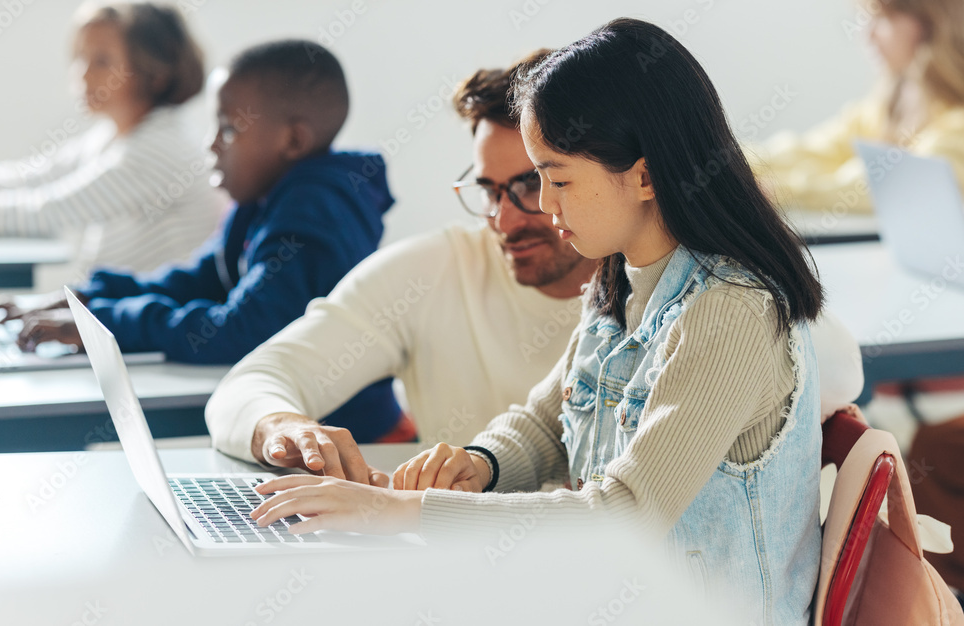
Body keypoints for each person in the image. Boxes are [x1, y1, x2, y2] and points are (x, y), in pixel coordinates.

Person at [247, 20, 845, 624]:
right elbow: (548, 421)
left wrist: (402, 513)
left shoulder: (731, 311)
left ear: (644, 175)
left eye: (555, 180)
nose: (546, 204)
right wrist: (479, 464)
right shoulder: (619, 276)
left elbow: (624, 514)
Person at [204, 50, 598, 484]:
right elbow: (251, 382)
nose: (504, 221)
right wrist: (281, 427)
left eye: (532, 182)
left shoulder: (657, 291)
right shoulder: (433, 269)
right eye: (488, 191)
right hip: (446, 541)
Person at [0, 39, 402, 443]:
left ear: (292, 140)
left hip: (360, 446)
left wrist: (111, 322)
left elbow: (240, 330)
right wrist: (92, 301)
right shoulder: (265, 198)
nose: (211, 145)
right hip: (297, 435)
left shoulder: (315, 212)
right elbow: (203, 279)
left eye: (228, 130)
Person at [0, 2, 226, 273]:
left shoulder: (162, 148)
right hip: (115, 305)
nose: (83, 75)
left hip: (152, 310)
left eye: (102, 61)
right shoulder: (111, 136)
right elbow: (32, 177)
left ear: (154, 73)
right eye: (80, 57)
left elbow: (49, 211)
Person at [750, 0, 964, 214]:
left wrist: (782, 190)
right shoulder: (882, 106)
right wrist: (738, 162)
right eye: (865, 19)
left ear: (931, 23)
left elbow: (894, 185)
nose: (867, 36)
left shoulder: (957, 123)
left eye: (882, 19)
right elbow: (817, 150)